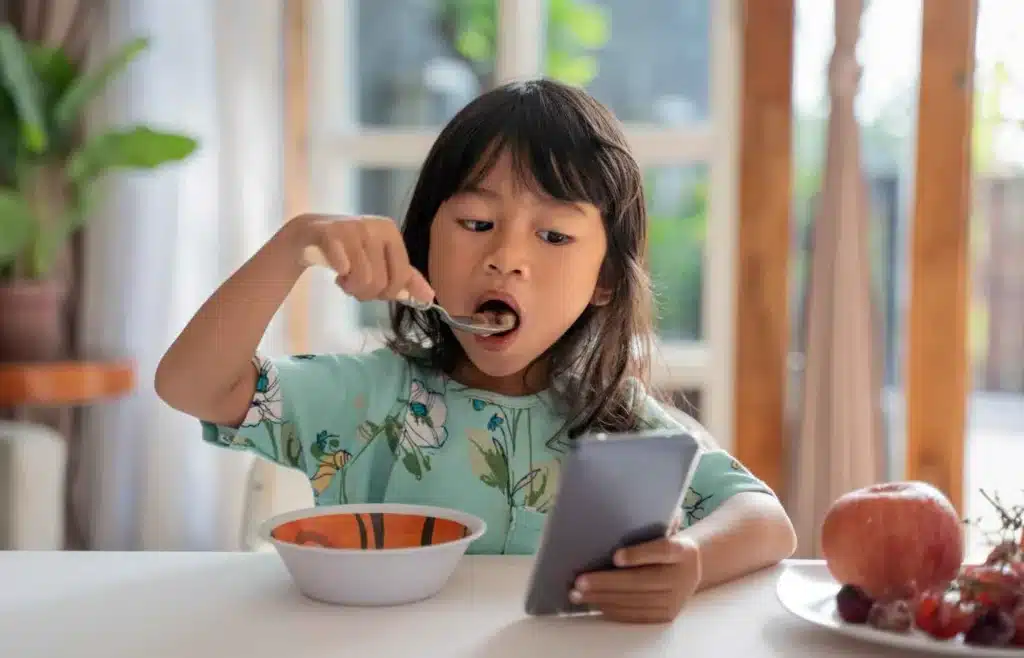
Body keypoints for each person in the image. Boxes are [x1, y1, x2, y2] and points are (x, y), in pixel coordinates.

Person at [156, 79, 797, 623]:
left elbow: (765, 520)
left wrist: (691, 563)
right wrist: (293, 246)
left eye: (553, 234)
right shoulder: (365, 399)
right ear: (423, 242)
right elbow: (191, 386)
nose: (506, 259)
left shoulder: (617, 421)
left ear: (604, 280)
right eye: (476, 224)